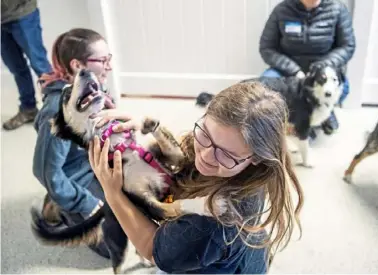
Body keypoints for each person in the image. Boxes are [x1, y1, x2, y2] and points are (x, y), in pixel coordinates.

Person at [88, 81, 304, 273]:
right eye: (205, 134)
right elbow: (185, 158)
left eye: (227, 154)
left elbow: (151, 248)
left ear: (257, 157)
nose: (206, 156)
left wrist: (113, 193)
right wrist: (149, 127)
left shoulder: (210, 227)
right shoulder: (251, 168)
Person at [32, 28, 114, 259]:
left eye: (110, 58)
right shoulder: (56, 113)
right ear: (78, 65)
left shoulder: (94, 86)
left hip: (97, 165)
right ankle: (61, 204)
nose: (109, 66)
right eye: (103, 60)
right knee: (113, 247)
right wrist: (85, 204)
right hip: (79, 177)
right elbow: (45, 171)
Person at [259, 0, 356, 136]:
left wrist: (322, 67)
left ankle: (322, 110)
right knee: (264, 87)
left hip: (322, 71)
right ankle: (291, 119)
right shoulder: (282, 10)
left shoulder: (338, 9)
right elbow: (267, 48)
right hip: (288, 70)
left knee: (343, 88)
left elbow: (347, 46)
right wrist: (294, 70)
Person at [1, 0, 53, 130]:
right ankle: (28, 109)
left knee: (39, 64)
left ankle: (56, 111)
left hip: (23, 14)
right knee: (16, 67)